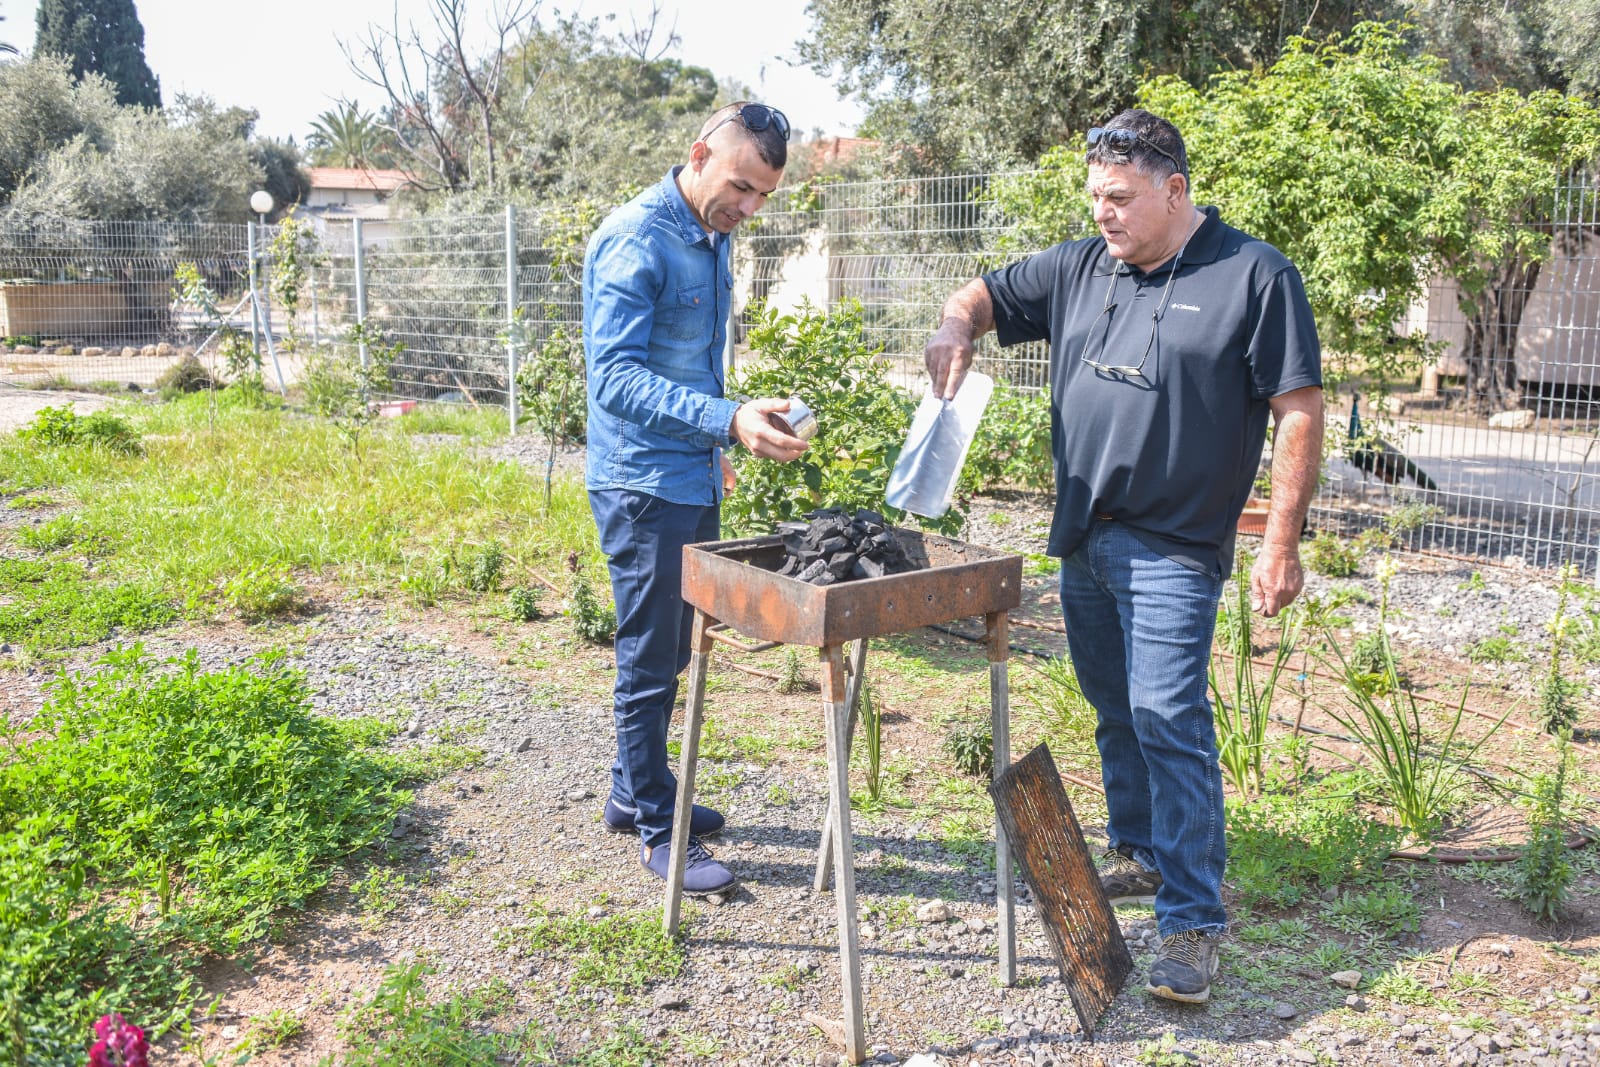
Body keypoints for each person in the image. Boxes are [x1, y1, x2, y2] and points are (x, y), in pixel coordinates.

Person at [923, 109, 1324, 1003]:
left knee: (1166, 714)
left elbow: (1298, 408)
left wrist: (1282, 543)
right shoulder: (1079, 265)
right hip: (1084, 536)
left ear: (1175, 190)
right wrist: (956, 329)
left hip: (1177, 546)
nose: (1103, 213)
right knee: (1113, 706)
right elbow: (981, 294)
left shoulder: (1253, 275)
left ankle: (1192, 923)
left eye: (1120, 197)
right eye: (1095, 196)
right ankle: (1140, 851)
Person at [584, 102, 810, 896]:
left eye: (762, 198)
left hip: (686, 471)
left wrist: (721, 439)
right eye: (741, 188)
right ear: (699, 154)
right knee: (650, 655)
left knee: (674, 645)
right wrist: (724, 419)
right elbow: (613, 378)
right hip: (640, 482)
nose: (748, 209)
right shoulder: (636, 238)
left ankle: (627, 789)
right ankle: (656, 824)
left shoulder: (711, 237)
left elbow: (686, 364)